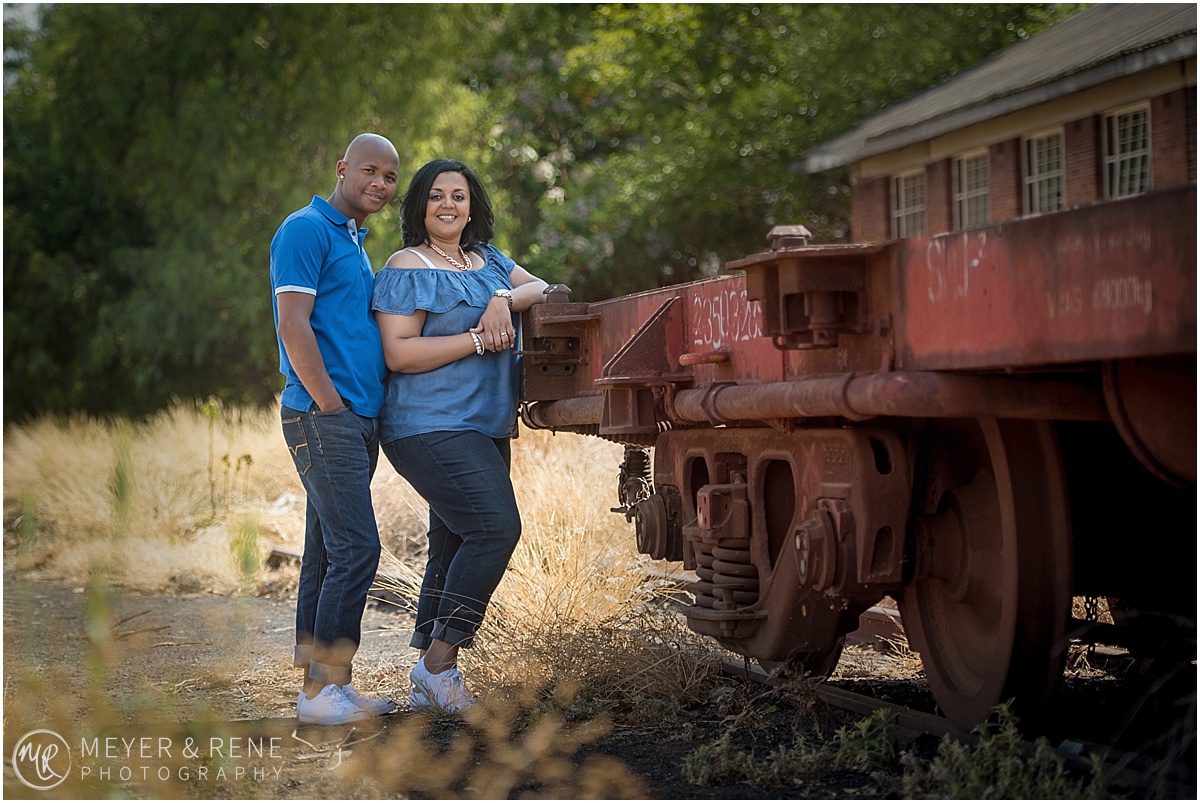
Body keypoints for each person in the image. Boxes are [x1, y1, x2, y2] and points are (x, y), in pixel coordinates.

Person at [371, 158, 551, 711]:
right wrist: (478, 338)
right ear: (419, 206)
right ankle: (440, 664)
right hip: (427, 425)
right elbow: (399, 353)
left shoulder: (490, 260)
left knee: (452, 541)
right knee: (496, 529)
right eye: (436, 196)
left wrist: (501, 298)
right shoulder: (407, 265)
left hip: (486, 423)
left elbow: (541, 288)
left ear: (472, 205)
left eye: (459, 196)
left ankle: (427, 668)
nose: (448, 205)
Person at [271, 133, 401, 725]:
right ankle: (324, 693)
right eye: (370, 171)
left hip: (351, 417)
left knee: (326, 551)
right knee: (358, 549)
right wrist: (331, 406)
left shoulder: (353, 238)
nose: (380, 183)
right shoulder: (305, 229)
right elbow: (293, 326)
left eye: (390, 177)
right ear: (342, 167)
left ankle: (318, 688)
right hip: (325, 415)